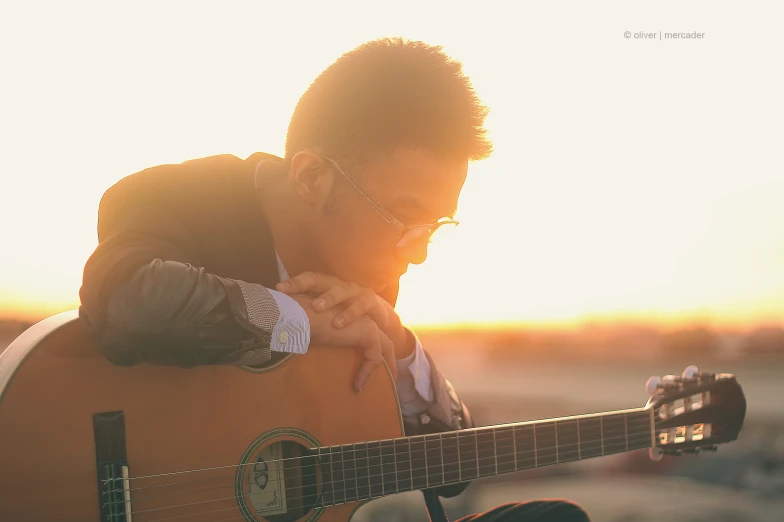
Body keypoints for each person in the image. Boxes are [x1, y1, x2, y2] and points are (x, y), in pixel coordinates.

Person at [79, 37, 590, 522]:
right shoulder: (181, 196)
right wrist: (299, 320)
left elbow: (454, 473)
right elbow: (126, 300)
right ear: (310, 178)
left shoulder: (364, 267)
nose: (419, 254)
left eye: (435, 227)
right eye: (406, 219)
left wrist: (401, 349)